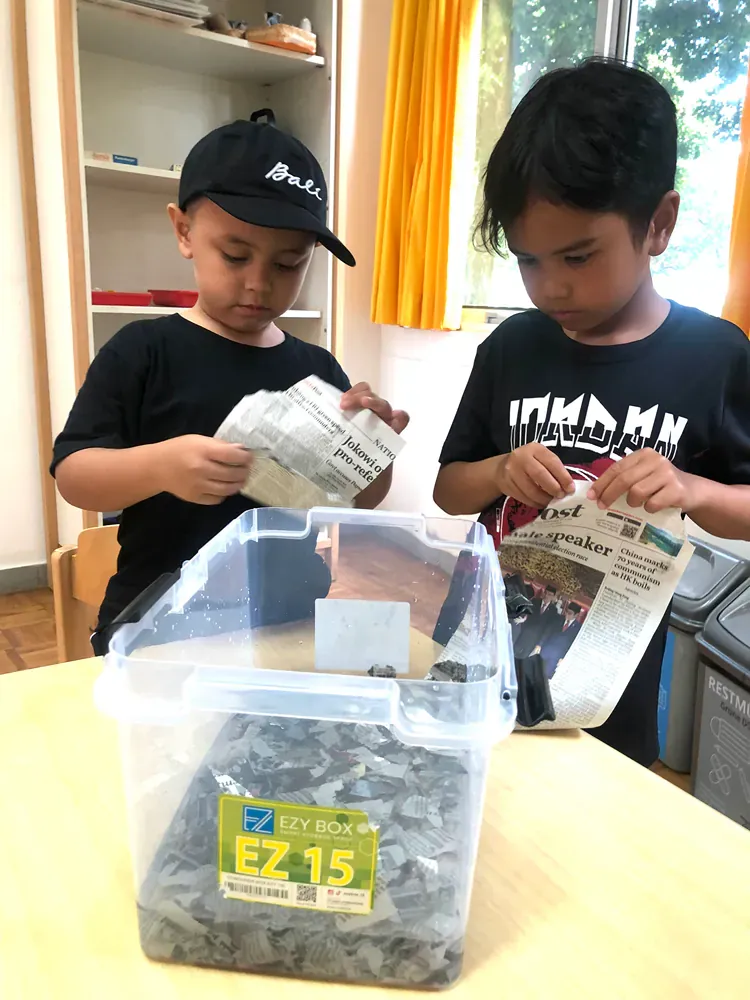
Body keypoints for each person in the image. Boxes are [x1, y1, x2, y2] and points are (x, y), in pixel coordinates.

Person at [433, 58, 750, 767]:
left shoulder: (716, 356)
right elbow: (449, 487)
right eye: (528, 260)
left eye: (577, 256)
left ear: (659, 223)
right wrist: (499, 470)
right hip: (481, 659)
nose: (550, 287)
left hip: (609, 698)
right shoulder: (513, 346)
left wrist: (694, 490)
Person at [52, 118, 408, 630]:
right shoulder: (143, 351)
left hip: (286, 620)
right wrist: (161, 466)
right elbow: (75, 477)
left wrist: (373, 452)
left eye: (288, 264)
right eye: (235, 255)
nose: (258, 284)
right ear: (184, 231)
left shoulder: (316, 369)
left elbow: (354, 501)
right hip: (160, 621)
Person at [539, 602, 582, 679]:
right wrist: (539, 644)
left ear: (576, 615)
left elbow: (572, 645)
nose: (567, 614)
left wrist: (564, 658)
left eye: (570, 613)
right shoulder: (558, 618)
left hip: (556, 657)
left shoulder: (578, 628)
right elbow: (547, 632)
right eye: (566, 611)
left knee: (545, 677)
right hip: (545, 651)